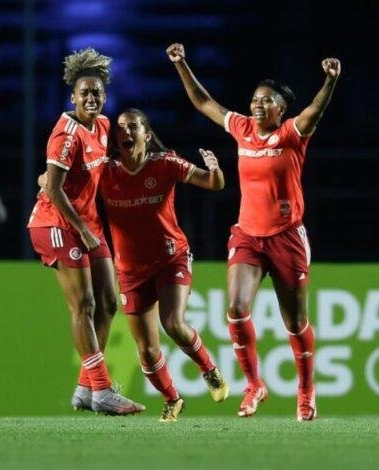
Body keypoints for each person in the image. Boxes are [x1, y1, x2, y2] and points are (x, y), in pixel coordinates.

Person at [167, 43, 341, 421]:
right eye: (255, 99)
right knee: (236, 309)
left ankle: (306, 391)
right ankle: (254, 385)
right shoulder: (242, 128)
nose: (257, 105)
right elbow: (203, 102)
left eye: (266, 101)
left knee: (294, 322)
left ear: (281, 109)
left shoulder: (293, 133)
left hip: (287, 238)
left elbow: (316, 110)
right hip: (248, 235)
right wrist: (182, 64)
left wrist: (329, 81)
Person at [27, 48, 144, 415]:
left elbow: (101, 171)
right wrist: (81, 227)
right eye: (84, 93)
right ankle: (103, 389)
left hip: (88, 226)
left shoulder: (105, 126)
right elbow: (54, 188)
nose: (91, 98)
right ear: (72, 97)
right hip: (56, 225)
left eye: (97, 92)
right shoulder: (65, 135)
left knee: (110, 302)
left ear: (104, 96)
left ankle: (84, 388)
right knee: (84, 305)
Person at [101, 109, 229, 422]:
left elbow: (213, 184)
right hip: (130, 270)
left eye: (133, 126)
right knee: (145, 350)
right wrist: (47, 178)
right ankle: (172, 399)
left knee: (173, 322)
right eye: (120, 128)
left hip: (171, 257)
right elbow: (65, 179)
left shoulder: (165, 163)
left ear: (146, 133)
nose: (125, 132)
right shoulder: (104, 172)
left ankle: (209, 370)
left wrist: (214, 169)